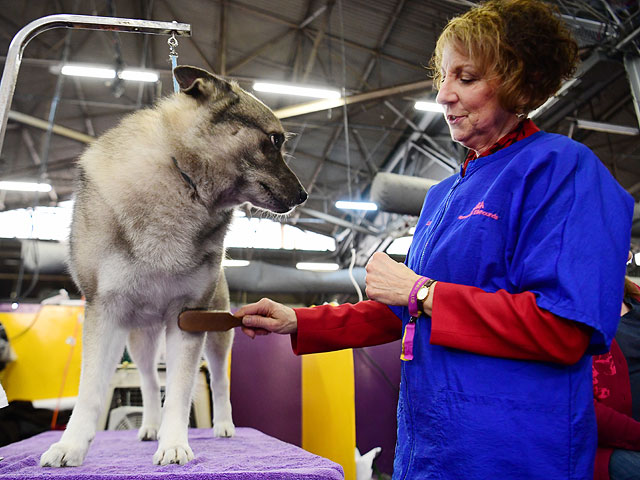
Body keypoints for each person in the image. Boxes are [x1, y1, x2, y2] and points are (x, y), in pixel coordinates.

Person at [235, 0, 634, 478]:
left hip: (514, 449)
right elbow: (399, 311)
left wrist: (423, 293)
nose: (443, 95)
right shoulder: (444, 194)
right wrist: (297, 320)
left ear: (519, 83)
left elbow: (564, 327)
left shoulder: (562, 170)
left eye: (466, 78)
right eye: (443, 77)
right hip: (431, 445)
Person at [593, 274, 640, 480]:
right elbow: (584, 410)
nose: (629, 255)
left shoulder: (634, 297)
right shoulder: (575, 315)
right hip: (613, 444)